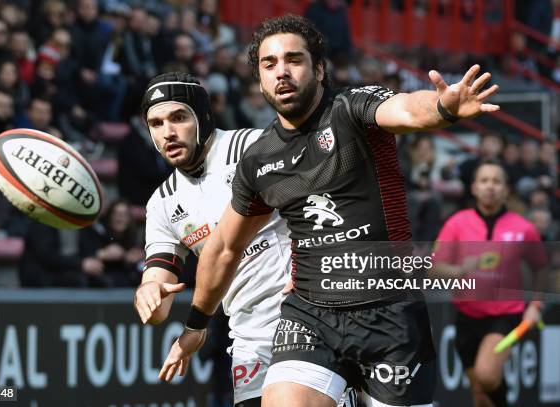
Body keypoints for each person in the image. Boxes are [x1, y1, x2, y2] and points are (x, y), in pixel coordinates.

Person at [159, 15, 501, 407]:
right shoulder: (259, 161)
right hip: (311, 315)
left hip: (389, 312)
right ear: (258, 78)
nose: (281, 72)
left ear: (319, 68)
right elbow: (223, 249)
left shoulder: (352, 109)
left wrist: (442, 107)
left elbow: (406, 110)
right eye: (268, 65)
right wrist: (196, 325)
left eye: (294, 60)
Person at [133, 72, 293, 407]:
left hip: (308, 318)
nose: (168, 133)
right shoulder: (163, 202)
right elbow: (159, 300)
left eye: (178, 118)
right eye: (156, 123)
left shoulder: (253, 146)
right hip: (250, 340)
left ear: (203, 117)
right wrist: (149, 292)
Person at [434, 161, 547, 407]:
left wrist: (535, 305)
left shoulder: (524, 228)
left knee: (486, 375)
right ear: (474, 187)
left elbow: (541, 267)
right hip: (466, 316)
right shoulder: (457, 223)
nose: (490, 187)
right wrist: (460, 269)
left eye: (497, 181)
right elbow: (435, 268)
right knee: (480, 394)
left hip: (505, 317)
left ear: (506, 189)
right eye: (484, 181)